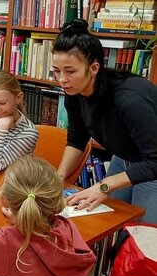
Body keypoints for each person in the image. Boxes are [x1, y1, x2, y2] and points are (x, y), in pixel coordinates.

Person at [53, 19, 157, 223]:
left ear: (94, 68)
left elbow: (154, 162)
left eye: (70, 71)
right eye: (57, 70)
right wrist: (59, 178)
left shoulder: (129, 99)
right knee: (110, 220)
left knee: (144, 232)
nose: (62, 79)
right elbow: (77, 139)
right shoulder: (74, 91)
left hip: (152, 164)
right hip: (126, 156)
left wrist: (104, 186)